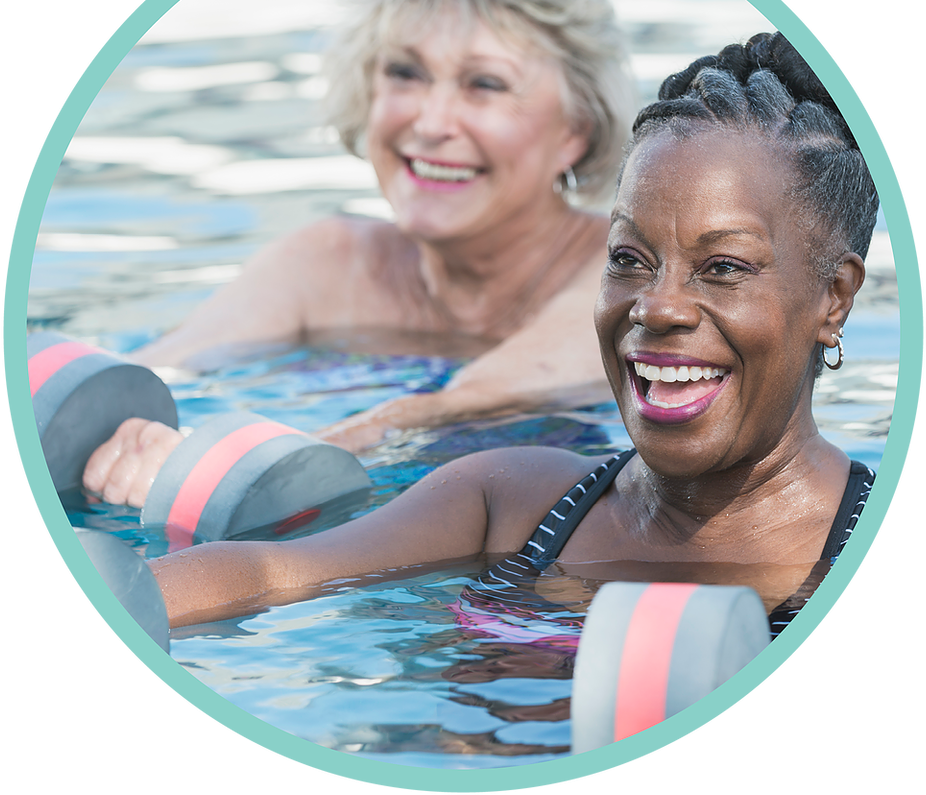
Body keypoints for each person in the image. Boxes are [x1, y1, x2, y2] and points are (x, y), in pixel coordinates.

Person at [144, 32, 878, 641]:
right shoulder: (506, 503)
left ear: (834, 298)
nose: (658, 308)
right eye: (629, 259)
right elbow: (271, 574)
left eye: (722, 268)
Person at [82, 0, 636, 507]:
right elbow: (153, 371)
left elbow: (460, 406)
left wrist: (244, 470)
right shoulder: (328, 261)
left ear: (575, 129)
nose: (430, 122)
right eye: (405, 73)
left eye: (485, 84)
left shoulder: (628, 271)